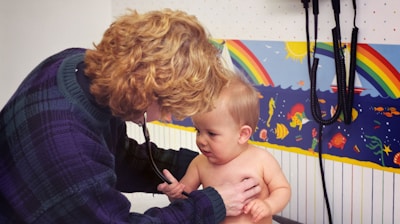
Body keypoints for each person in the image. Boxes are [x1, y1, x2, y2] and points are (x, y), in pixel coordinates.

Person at [0, 9, 261, 223]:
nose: (168, 118)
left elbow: (118, 157)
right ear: (143, 92)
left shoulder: (80, 65)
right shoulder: (68, 148)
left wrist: (206, 165)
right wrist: (212, 204)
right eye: (168, 108)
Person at [158, 74, 291, 223]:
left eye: (211, 133)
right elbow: (186, 200)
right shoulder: (199, 163)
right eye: (198, 131)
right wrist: (175, 194)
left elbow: (282, 190)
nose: (201, 140)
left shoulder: (261, 160)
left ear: (242, 134)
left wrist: (268, 205)